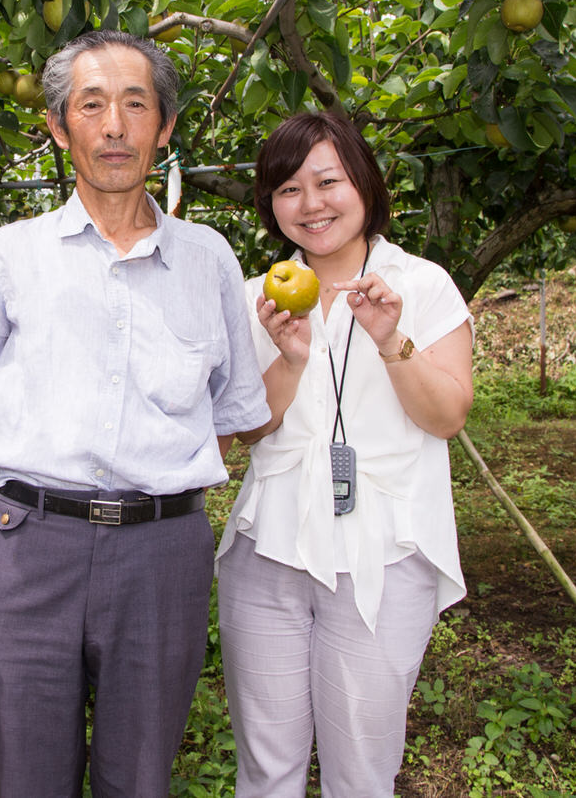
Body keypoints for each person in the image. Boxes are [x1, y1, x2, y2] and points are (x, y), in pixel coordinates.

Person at [0, 30, 271, 798]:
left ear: (165, 127)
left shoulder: (208, 259)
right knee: (28, 777)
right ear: (60, 128)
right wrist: (34, 501)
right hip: (28, 556)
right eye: (92, 106)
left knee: (139, 779)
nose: (115, 126)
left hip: (163, 555)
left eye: (136, 104)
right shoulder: (9, 256)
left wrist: (158, 477)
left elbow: (231, 410)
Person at [216, 110, 474, 797]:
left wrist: (393, 341)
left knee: (362, 771)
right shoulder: (257, 299)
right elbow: (249, 430)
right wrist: (291, 360)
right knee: (266, 767)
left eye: (327, 181)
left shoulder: (420, 286)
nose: (311, 203)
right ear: (272, 206)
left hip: (384, 553)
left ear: (362, 182)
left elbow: (446, 416)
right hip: (268, 548)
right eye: (288, 189)